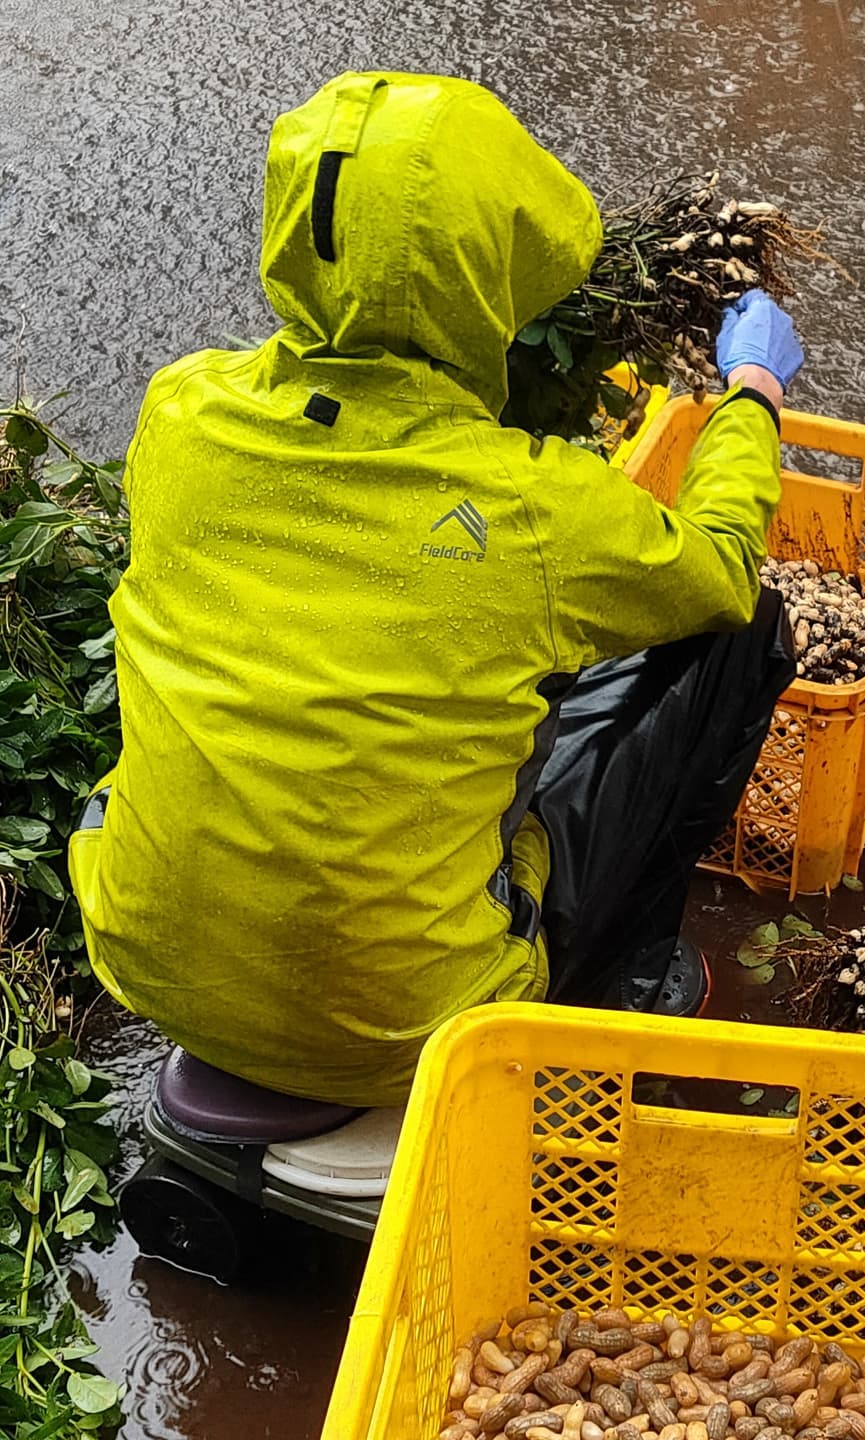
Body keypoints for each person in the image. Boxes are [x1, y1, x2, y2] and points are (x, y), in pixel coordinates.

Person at [67, 72, 803, 1108]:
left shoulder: (181, 413)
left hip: (145, 966)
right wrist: (752, 396)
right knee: (740, 631)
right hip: (405, 1025)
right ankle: (629, 981)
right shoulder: (529, 504)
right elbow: (721, 568)